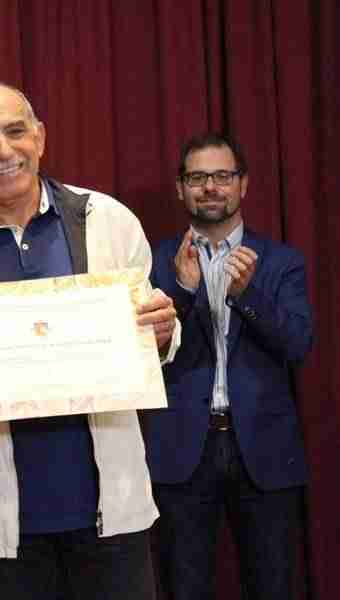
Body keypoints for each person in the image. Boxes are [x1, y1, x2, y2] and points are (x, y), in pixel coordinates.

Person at [0, 80, 179, 600]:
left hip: (110, 512)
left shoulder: (108, 220)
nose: (3, 151)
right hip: (3, 529)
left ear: (40, 138)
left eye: (15, 131)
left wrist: (161, 331)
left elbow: (155, 332)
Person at [145, 133, 313, 600]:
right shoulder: (155, 262)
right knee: (184, 586)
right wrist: (179, 289)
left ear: (243, 185)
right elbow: (139, 352)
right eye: (198, 178)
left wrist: (247, 296)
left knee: (273, 584)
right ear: (181, 189)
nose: (210, 188)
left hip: (263, 449)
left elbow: (297, 344)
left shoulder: (281, 262)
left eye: (222, 176)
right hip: (180, 449)